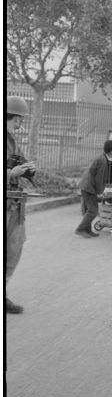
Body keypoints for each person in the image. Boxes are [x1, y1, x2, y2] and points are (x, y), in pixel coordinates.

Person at [6, 96, 37, 314]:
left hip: (14, 204)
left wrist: (28, 169)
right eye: (19, 119)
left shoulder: (13, 141)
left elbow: (21, 162)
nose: (20, 123)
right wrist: (9, 173)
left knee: (13, 249)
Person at [75, 139, 112, 238]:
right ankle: (80, 229)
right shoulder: (103, 160)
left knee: (89, 210)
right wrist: (99, 192)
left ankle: (87, 230)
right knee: (93, 211)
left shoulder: (102, 157)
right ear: (111, 150)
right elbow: (99, 178)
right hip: (89, 187)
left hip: (86, 185)